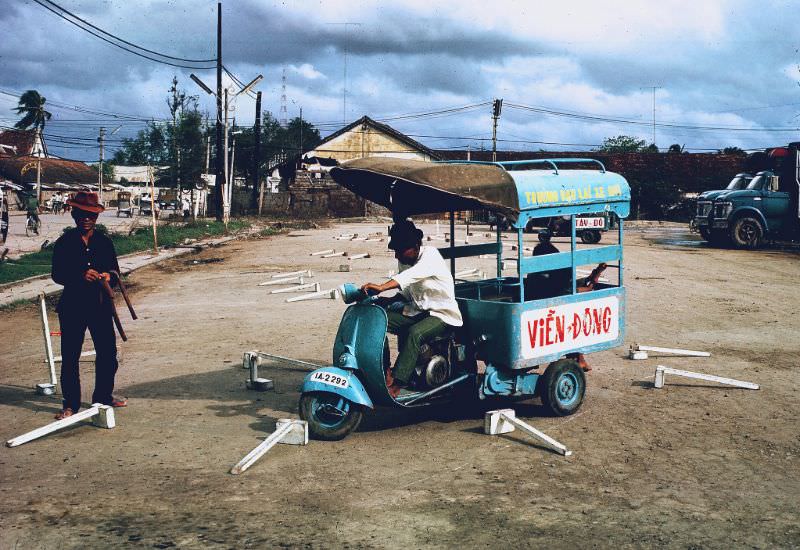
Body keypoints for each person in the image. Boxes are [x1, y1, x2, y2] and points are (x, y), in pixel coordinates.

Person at [360, 220, 463, 398]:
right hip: (417, 310)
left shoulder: (430, 255)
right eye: (396, 251)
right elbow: (407, 291)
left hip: (442, 314)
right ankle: (384, 369)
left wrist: (382, 287)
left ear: (415, 246)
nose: (397, 256)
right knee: (377, 320)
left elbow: (409, 277)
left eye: (400, 251)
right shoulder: (405, 261)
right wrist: (387, 300)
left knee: (414, 333)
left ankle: (399, 382)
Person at [51, 192, 127, 420]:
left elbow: (115, 272)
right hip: (72, 306)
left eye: (91, 216)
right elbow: (57, 274)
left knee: (107, 354)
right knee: (70, 356)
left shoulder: (104, 242)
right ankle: (71, 404)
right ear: (74, 215)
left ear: (96, 218)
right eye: (82, 215)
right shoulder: (64, 243)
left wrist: (107, 276)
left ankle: (103, 396)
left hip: (100, 305)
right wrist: (79, 275)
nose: (86, 219)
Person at [527, 230, 606, 372]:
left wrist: (593, 276)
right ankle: (580, 359)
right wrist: (592, 282)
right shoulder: (549, 278)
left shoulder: (536, 274)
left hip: (542, 307)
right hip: (547, 314)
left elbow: (567, 286)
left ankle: (579, 358)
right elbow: (568, 290)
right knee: (575, 323)